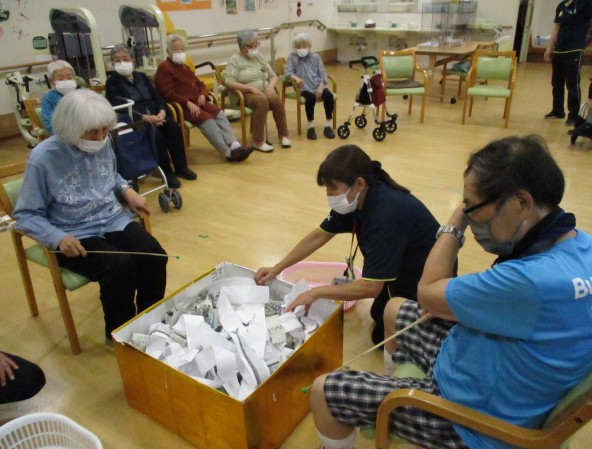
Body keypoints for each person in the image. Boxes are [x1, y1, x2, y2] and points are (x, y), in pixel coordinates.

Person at [309, 135, 592, 449]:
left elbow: (428, 293)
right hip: (492, 369)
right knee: (394, 308)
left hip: (472, 421)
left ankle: (397, 401)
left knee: (323, 390)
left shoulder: (528, 282)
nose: (469, 215)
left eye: (472, 206)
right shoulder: (583, 248)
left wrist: (456, 221)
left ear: (522, 203)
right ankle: (394, 387)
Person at [13, 89, 168, 343]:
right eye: (93, 132)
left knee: (154, 256)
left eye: (105, 130)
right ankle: (120, 336)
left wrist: (127, 191)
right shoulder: (43, 158)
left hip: (111, 218)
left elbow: (111, 175)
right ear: (70, 128)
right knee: (119, 268)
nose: (101, 138)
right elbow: (26, 214)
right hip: (72, 232)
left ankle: (149, 323)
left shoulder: (103, 142)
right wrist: (57, 237)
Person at [254, 145, 440, 345]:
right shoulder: (357, 197)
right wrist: (277, 268)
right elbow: (318, 236)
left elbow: (371, 287)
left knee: (382, 336)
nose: (329, 194)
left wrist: (315, 292)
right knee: (378, 314)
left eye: (333, 188)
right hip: (399, 267)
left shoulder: (384, 215)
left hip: (424, 280)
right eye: (326, 188)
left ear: (359, 183)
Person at [105, 44, 198, 189]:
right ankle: (166, 172)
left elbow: (157, 96)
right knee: (156, 134)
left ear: (133, 61)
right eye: (117, 60)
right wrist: (145, 118)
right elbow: (119, 107)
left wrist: (162, 111)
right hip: (136, 120)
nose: (122, 62)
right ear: (113, 63)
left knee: (173, 127)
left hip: (156, 113)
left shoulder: (142, 77)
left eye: (125, 58)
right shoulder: (112, 83)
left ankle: (181, 167)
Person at [154, 35, 253, 164]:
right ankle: (228, 153)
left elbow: (200, 84)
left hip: (198, 102)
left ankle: (235, 145)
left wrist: (203, 94)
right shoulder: (164, 68)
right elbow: (167, 93)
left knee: (219, 113)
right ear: (168, 51)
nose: (180, 52)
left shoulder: (185, 67)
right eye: (176, 49)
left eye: (182, 49)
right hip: (182, 107)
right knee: (208, 120)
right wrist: (187, 103)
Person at [224, 29, 291, 152]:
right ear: (242, 47)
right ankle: (258, 141)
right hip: (243, 94)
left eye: (257, 44)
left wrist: (270, 87)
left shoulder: (259, 57)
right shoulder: (235, 60)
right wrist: (250, 88)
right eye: (252, 45)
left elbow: (273, 76)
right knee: (261, 102)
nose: (255, 47)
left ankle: (284, 135)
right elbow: (229, 82)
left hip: (262, 91)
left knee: (277, 100)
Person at [544, 0, 592, 125]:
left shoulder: (586, 3)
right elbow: (556, 29)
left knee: (572, 83)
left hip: (575, 49)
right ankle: (557, 111)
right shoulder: (561, 6)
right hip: (559, 49)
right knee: (556, 82)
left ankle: (574, 115)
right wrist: (549, 48)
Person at [284, 33, 335, 140]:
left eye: (304, 46)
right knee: (310, 98)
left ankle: (328, 125)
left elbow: (323, 74)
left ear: (309, 46)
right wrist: (296, 78)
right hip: (303, 87)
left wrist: (321, 86)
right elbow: (287, 73)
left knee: (329, 96)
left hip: (318, 84)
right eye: (298, 46)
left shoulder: (315, 57)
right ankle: (310, 127)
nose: (301, 48)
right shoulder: (292, 57)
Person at [41, 60, 78, 135]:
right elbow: (50, 126)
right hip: (63, 136)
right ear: (51, 81)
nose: (66, 81)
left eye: (69, 77)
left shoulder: (81, 95)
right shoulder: (48, 98)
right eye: (60, 79)